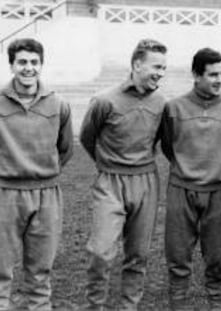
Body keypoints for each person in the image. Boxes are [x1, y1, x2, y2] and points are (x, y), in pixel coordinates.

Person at [0, 38, 73, 311]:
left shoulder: (58, 104)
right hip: (4, 195)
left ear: (42, 64)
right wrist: (4, 173)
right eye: (22, 62)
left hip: (46, 196)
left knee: (40, 273)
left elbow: (65, 149)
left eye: (34, 62)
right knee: (0, 271)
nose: (29, 68)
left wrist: (41, 173)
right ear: (12, 65)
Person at [160, 47, 221, 311]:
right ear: (196, 75)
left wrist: (220, 170)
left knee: (218, 258)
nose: (219, 79)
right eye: (213, 74)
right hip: (181, 190)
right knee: (178, 258)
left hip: (220, 191)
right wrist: (187, 168)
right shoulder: (173, 107)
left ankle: (217, 305)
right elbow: (169, 146)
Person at [79, 38, 168, 311]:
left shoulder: (162, 102)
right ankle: (95, 306)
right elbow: (87, 137)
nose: (160, 73)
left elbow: (162, 141)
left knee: (138, 254)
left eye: (164, 68)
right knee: (100, 252)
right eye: (156, 66)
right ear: (137, 64)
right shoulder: (105, 100)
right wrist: (108, 164)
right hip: (110, 181)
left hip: (145, 182)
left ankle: (129, 306)